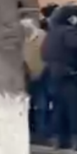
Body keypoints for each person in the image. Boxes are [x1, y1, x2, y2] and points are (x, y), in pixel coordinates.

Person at [42, 4, 77, 149]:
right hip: (69, 73)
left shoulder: (51, 33)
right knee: (74, 108)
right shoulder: (69, 31)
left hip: (53, 74)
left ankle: (57, 139)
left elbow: (44, 53)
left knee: (58, 108)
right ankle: (75, 140)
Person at [23, 14, 50, 144]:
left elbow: (47, 54)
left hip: (41, 74)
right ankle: (31, 131)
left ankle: (41, 132)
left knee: (41, 104)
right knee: (28, 106)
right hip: (25, 76)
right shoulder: (21, 38)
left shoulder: (42, 37)